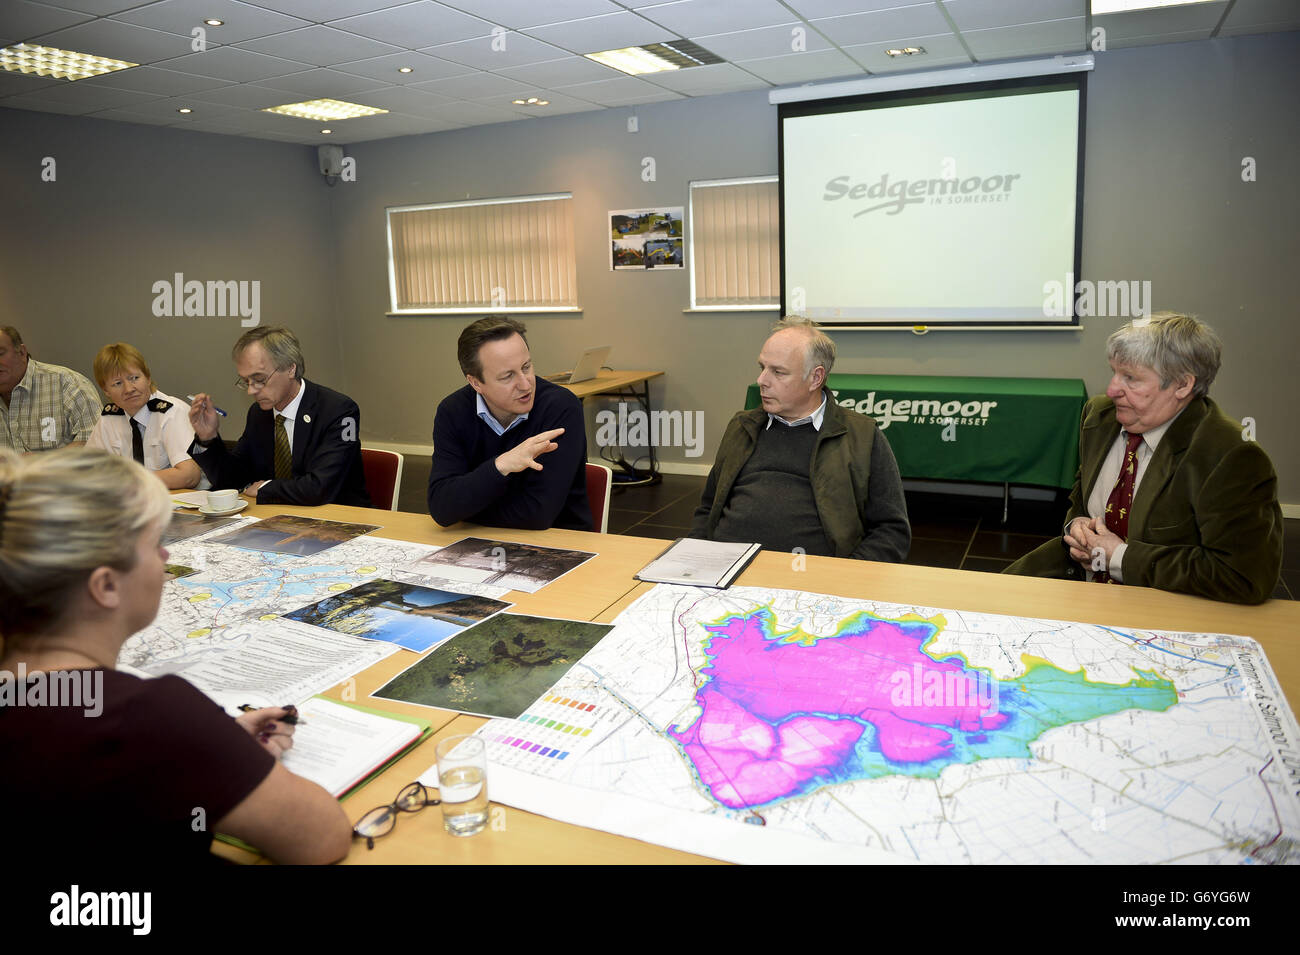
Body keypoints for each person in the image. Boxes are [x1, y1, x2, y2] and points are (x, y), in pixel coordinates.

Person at [0, 448, 352, 864]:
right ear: (106, 586)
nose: (168, 558)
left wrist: (209, 746)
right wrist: (196, 741)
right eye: (155, 543)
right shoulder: (149, 714)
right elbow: (322, 839)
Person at [1005, 312, 1283, 604]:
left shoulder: (1231, 456)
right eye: (1114, 372)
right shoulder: (1099, 416)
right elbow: (1081, 496)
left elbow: (1243, 577)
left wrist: (1119, 557)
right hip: (1077, 585)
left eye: (1131, 378)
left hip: (1159, 609)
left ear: (1182, 385)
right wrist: (1075, 526)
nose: (1112, 390)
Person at [691, 318, 910, 561]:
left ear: (815, 378)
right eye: (762, 367)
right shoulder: (742, 426)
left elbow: (891, 531)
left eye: (778, 372)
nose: (762, 380)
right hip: (725, 569)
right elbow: (708, 507)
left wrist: (847, 577)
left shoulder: (863, 437)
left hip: (813, 579)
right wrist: (695, 557)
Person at [428, 317, 592, 531]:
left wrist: (464, 508)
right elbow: (442, 507)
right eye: (507, 377)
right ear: (476, 382)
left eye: (526, 367)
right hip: (477, 545)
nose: (525, 384)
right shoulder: (452, 411)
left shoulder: (560, 407)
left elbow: (538, 515)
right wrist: (501, 465)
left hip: (561, 542)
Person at [188, 326, 370, 507]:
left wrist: (266, 488)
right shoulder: (258, 414)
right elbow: (232, 480)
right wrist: (208, 438)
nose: (251, 390)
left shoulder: (340, 410)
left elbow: (320, 488)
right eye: (246, 381)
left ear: (291, 369)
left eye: (259, 379)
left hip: (340, 519)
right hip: (278, 519)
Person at [85, 342, 203, 490]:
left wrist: (127, 481)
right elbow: (86, 471)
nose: (129, 389)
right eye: (117, 383)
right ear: (106, 391)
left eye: (134, 378)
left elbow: (189, 476)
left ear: (147, 377)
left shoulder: (171, 412)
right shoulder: (109, 418)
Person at [0, 325, 100, 453]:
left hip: (63, 473)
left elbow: (96, 445)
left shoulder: (67, 383)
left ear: (21, 352)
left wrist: (40, 461)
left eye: (0, 353)